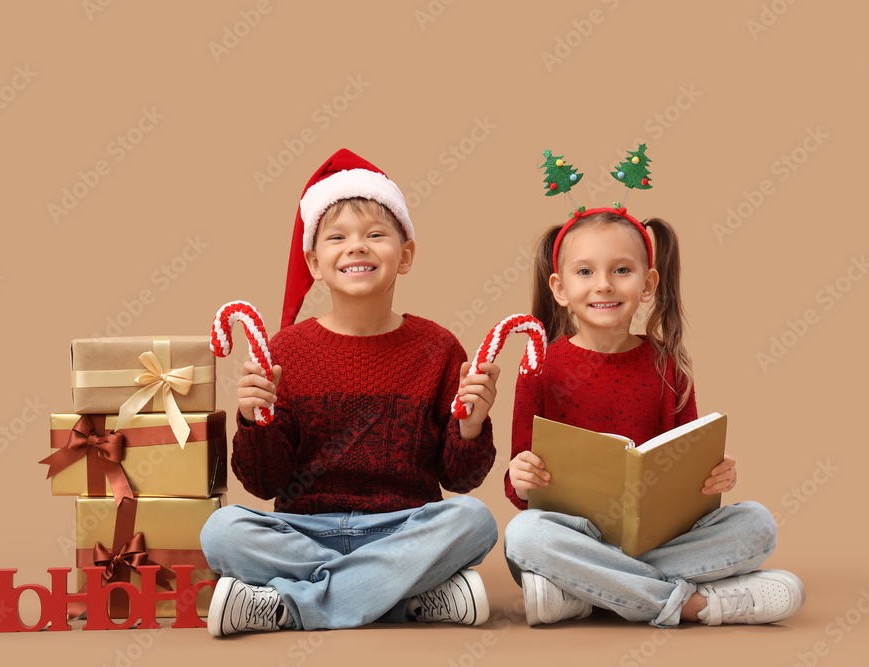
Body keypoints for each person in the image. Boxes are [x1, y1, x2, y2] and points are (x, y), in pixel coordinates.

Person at [201, 148, 501, 637]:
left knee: (474, 520)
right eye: (337, 238)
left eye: (376, 235)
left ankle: (291, 606)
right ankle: (405, 599)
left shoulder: (438, 348)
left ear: (405, 256)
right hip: (305, 531)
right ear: (314, 262)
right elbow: (263, 483)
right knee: (221, 533)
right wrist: (256, 420)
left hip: (405, 527)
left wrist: (470, 424)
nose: (356, 247)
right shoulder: (286, 351)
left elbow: (460, 479)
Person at [504, 204, 805, 628]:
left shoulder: (669, 366)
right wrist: (521, 475)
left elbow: (688, 468)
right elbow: (519, 492)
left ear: (648, 285)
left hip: (658, 539)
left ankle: (583, 591)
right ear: (559, 287)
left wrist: (715, 476)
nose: (604, 285)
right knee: (524, 536)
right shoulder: (539, 365)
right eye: (585, 272)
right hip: (573, 537)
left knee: (757, 524)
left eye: (622, 270)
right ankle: (694, 605)